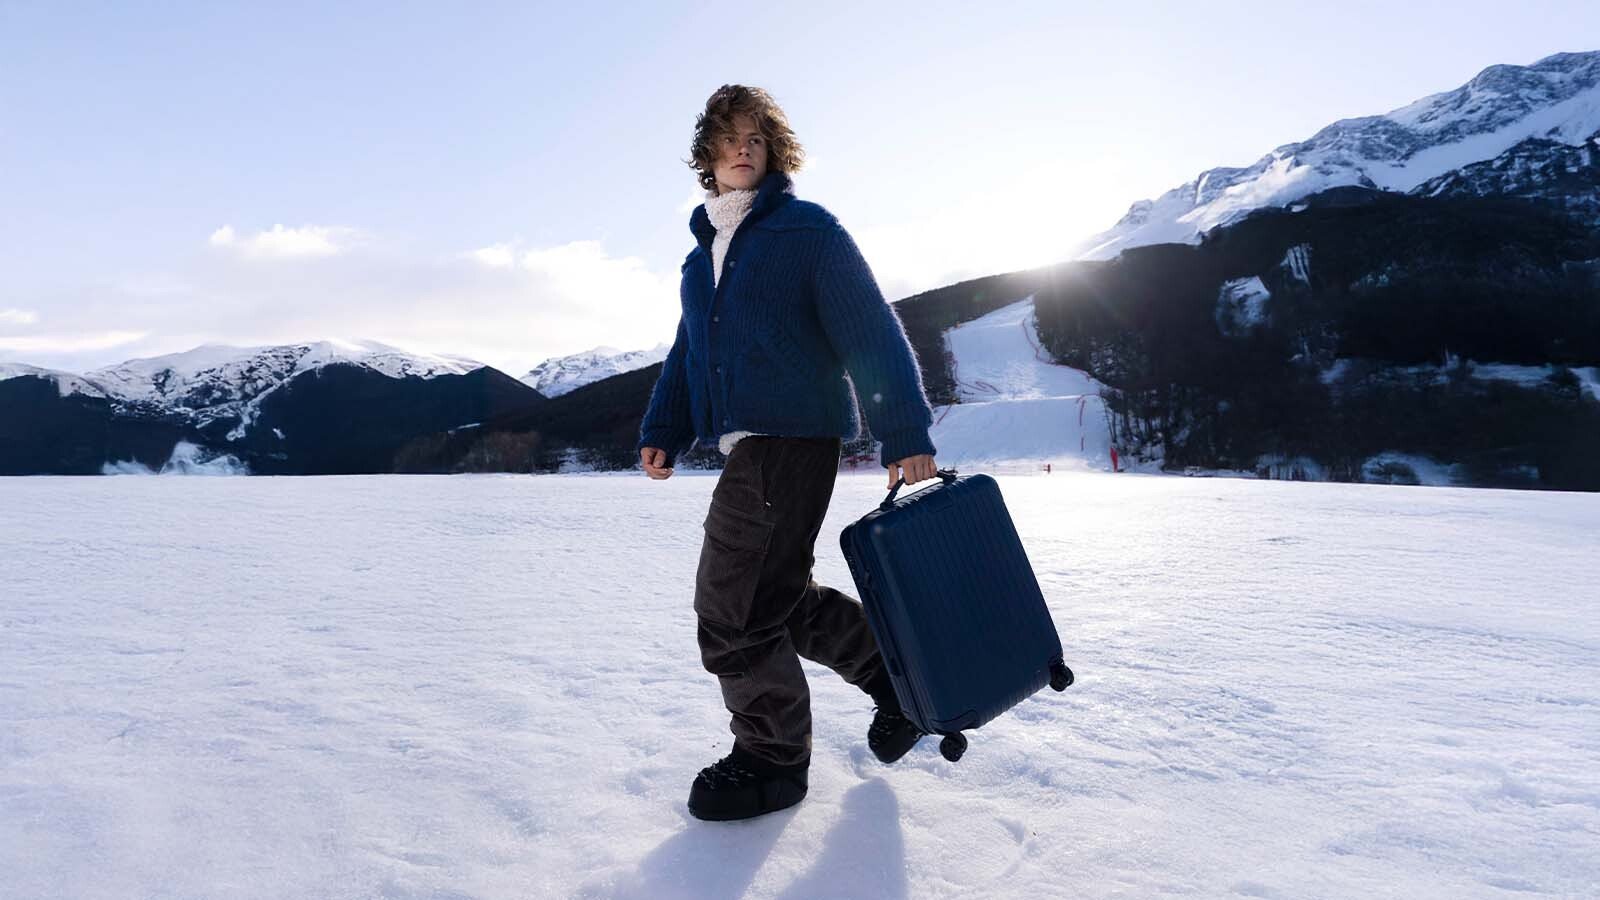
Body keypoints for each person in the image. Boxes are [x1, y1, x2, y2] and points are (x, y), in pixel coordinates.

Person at [636, 84, 939, 821]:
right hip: (751, 446)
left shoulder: (807, 231)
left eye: (758, 140)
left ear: (774, 156)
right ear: (707, 154)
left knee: (730, 610)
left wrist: (903, 432)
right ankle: (896, 683)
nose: (744, 149)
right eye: (730, 137)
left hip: (790, 440)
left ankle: (772, 759)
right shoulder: (701, 257)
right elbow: (688, 354)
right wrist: (664, 426)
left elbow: (867, 329)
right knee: (774, 599)